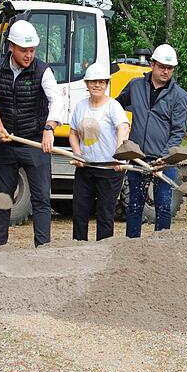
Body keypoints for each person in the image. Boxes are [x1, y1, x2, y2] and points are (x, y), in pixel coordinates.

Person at [0, 20, 63, 248]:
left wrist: (49, 129)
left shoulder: (42, 70)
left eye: (32, 50)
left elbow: (56, 99)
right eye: (24, 50)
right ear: (11, 46)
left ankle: (43, 249)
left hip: (35, 143)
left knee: (41, 199)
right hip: (6, 144)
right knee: (2, 198)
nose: (29, 55)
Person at [116, 44, 187, 238]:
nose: (166, 71)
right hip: (138, 157)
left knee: (164, 205)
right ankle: (132, 244)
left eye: (170, 68)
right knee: (134, 205)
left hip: (164, 161)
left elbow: (177, 132)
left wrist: (163, 159)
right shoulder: (135, 85)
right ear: (152, 64)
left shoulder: (180, 96)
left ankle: (161, 246)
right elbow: (115, 107)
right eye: (162, 66)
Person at [69, 63, 130, 241]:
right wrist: (77, 153)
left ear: (107, 84)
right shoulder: (81, 106)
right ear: (87, 84)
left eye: (101, 82)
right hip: (86, 167)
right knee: (79, 211)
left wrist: (120, 155)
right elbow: (73, 133)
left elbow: (123, 127)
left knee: (104, 214)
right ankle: (78, 247)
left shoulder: (113, 106)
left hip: (109, 169)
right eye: (93, 82)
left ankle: (103, 251)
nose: (97, 85)